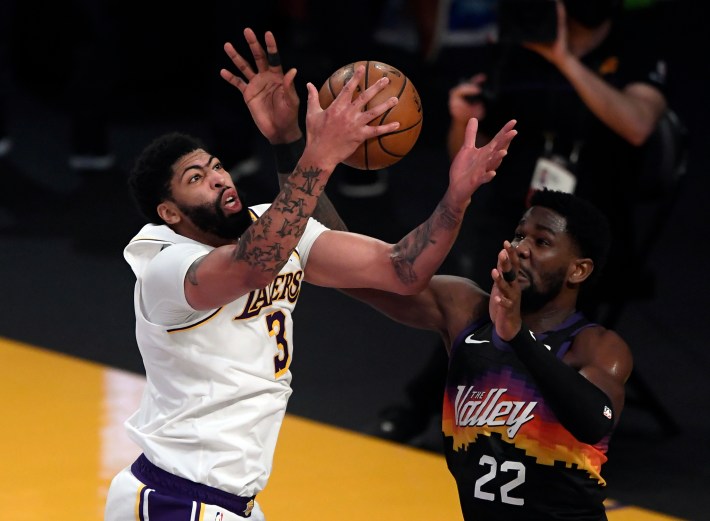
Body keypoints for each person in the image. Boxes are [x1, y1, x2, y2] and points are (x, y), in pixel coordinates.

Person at [103, 28, 517, 521]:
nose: (218, 178)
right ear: (169, 212)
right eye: (196, 179)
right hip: (174, 497)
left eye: (215, 167)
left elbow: (403, 271)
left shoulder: (271, 223)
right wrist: (319, 153)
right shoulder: (162, 262)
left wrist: (456, 196)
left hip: (230, 501)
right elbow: (252, 266)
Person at [371, 0, 668, 443]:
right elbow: (468, 156)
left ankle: (445, 402)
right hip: (518, 215)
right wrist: (461, 119)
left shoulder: (635, 46)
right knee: (481, 300)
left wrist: (564, 59)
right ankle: (442, 402)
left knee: (511, 305)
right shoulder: (516, 46)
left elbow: (639, 125)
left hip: (594, 222)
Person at [347, 188, 634, 520]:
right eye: (518, 235)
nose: (520, 249)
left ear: (578, 270)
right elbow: (357, 274)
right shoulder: (466, 312)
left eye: (541, 242)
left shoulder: (595, 346)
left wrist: (518, 336)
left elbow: (596, 422)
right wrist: (300, 158)